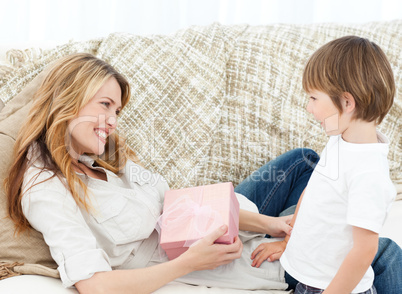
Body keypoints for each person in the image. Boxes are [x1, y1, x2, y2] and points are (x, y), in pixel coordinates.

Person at [3, 52, 401, 294]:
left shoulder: (98, 158)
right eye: (105, 105)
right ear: (67, 100)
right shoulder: (45, 188)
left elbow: (174, 202)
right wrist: (189, 263)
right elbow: (95, 285)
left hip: (226, 220)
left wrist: (272, 224)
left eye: (116, 111)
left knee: (301, 160)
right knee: (380, 252)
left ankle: (295, 221)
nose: (112, 121)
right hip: (222, 255)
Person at [249, 36, 401, 294]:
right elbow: (312, 193)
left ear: (346, 102)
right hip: (308, 279)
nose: (308, 107)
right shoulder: (340, 139)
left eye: (313, 98)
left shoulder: (368, 173)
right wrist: (288, 242)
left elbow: (365, 250)